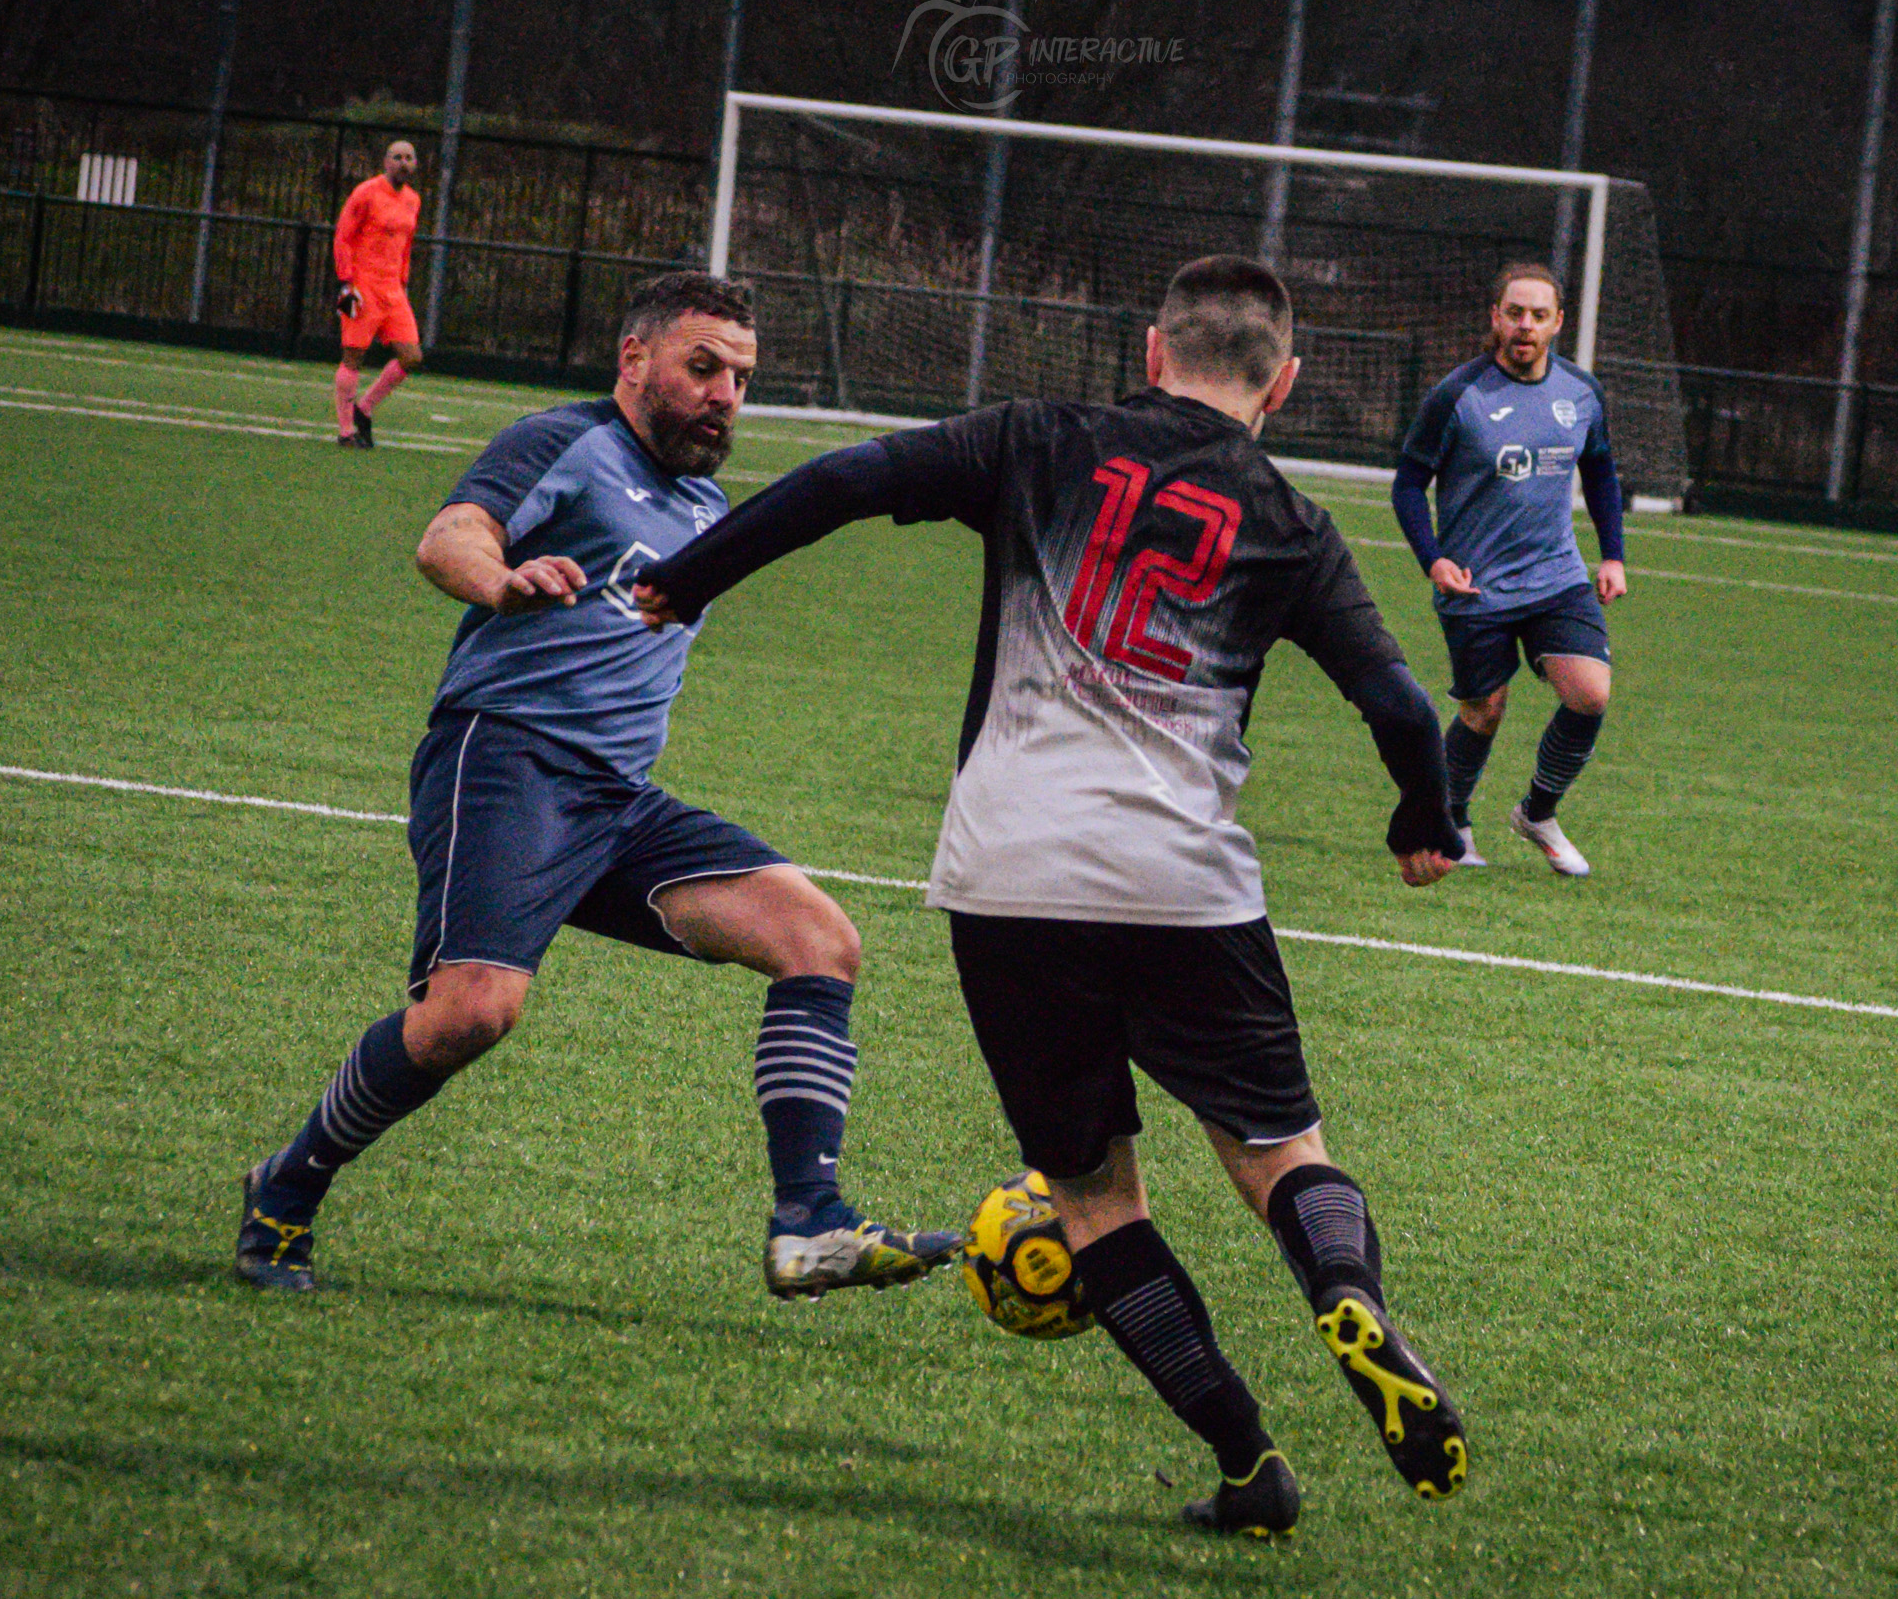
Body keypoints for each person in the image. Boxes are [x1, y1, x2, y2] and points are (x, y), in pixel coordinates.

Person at [635, 256, 1471, 1537]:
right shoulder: (1291, 521)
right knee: (1277, 1155)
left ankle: (1251, 1463)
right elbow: (1406, 707)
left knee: (1091, 1200)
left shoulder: (1037, 440)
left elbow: (840, 482)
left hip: (1008, 872)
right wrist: (1425, 816)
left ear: (1151, 351)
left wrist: (688, 578)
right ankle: (1342, 1294)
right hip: (1182, 879)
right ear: (1283, 383)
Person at [235, 271, 963, 1301]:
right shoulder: (565, 442)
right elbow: (449, 536)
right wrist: (504, 579)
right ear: (635, 359)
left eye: (742, 379)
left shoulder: (703, 501)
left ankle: (809, 1223)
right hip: (507, 759)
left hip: (617, 800)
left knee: (819, 938)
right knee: (468, 1016)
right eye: (702, 366)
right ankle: (287, 1184)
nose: (725, 395)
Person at [1391, 261, 1629, 877]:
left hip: (1556, 576)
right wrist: (1433, 558)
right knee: (1483, 711)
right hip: (1477, 584)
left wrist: (1612, 555)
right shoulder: (1457, 395)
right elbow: (1409, 484)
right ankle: (1453, 818)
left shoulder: (1581, 394)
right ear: (1495, 318)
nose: (1526, 325)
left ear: (1557, 324)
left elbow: (1600, 472)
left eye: (1539, 315)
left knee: (1590, 694)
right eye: (1515, 313)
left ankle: (1538, 813)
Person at [332, 140, 426, 449]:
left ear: (415, 164)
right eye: (397, 157)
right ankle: (346, 430)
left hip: (392, 290)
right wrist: (346, 283)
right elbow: (343, 236)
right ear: (386, 162)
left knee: (411, 356)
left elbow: (406, 247)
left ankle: (365, 407)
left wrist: (403, 281)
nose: (403, 163)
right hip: (362, 286)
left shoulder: (413, 200)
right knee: (354, 354)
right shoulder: (366, 192)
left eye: (408, 158)